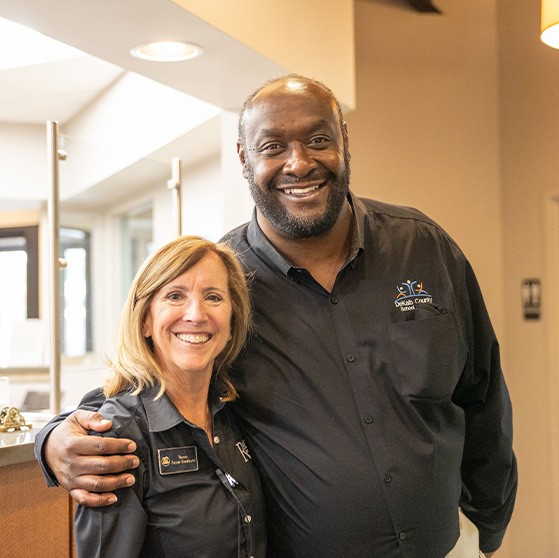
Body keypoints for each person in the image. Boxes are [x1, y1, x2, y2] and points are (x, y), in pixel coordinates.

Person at [35, 75, 516, 557]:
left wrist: (486, 529)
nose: (299, 163)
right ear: (245, 159)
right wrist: (54, 437)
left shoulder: (423, 246)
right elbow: (148, 378)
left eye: (318, 140)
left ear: (344, 143)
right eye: (272, 146)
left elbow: (483, 392)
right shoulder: (222, 283)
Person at [71, 235, 266, 557]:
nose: (196, 314)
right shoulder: (120, 435)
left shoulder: (234, 413)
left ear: (232, 320)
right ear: (145, 319)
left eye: (213, 297)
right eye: (175, 296)